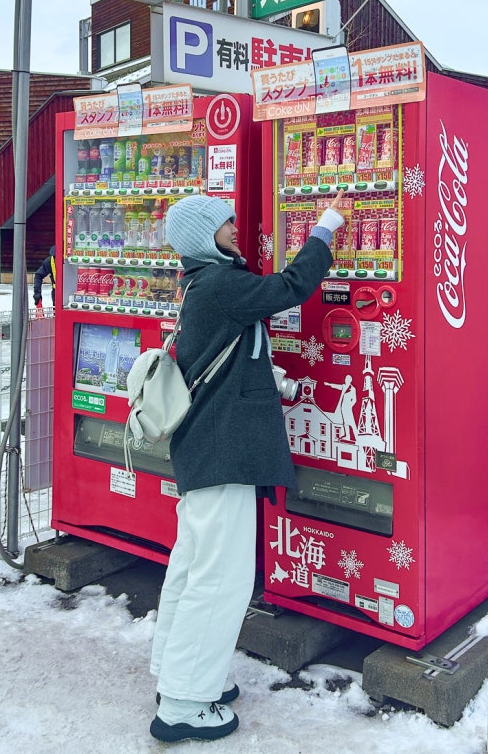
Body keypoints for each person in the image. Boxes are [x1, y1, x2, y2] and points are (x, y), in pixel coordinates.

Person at [149, 191, 344, 744]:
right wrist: (325, 229)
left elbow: (232, 354)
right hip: (222, 452)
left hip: (208, 448)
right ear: (202, 236)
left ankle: (176, 674)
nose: (235, 226)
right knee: (220, 578)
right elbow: (291, 287)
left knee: (192, 566)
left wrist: (276, 383)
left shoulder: (202, 283)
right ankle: (185, 704)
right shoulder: (220, 283)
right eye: (225, 222)